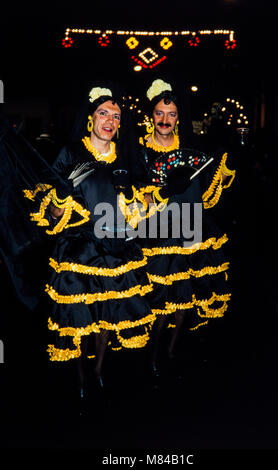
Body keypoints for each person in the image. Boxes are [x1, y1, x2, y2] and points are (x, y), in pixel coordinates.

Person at [22, 84, 156, 398]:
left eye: (116, 116)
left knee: (108, 315)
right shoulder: (71, 153)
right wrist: (62, 192)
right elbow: (52, 211)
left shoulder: (125, 156)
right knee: (82, 316)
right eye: (103, 113)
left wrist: (137, 197)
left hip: (116, 246)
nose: (110, 120)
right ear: (90, 118)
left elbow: (142, 205)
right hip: (80, 248)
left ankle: (98, 370)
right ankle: (81, 373)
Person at [131, 78, 236, 376]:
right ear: (151, 115)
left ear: (179, 117)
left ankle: (171, 349)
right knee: (159, 300)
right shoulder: (139, 150)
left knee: (185, 299)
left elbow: (208, 196)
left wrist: (226, 171)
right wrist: (156, 191)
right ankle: (152, 351)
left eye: (172, 114)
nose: (165, 120)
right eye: (160, 114)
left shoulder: (192, 147)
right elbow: (136, 197)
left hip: (193, 229)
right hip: (158, 233)